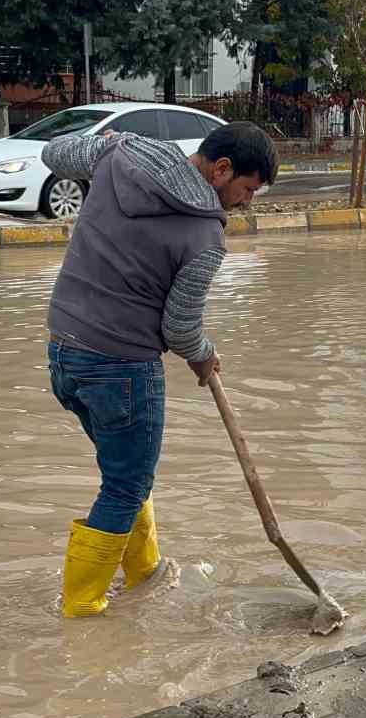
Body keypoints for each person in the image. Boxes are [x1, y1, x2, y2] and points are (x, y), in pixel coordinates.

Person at [43, 121, 277, 618]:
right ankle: (81, 609)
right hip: (121, 366)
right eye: (247, 189)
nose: (246, 202)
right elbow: (179, 328)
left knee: (126, 473)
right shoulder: (204, 235)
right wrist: (205, 356)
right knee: (126, 485)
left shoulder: (124, 156)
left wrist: (110, 144)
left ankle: (145, 574)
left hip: (65, 354)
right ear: (221, 169)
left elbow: (54, 153)